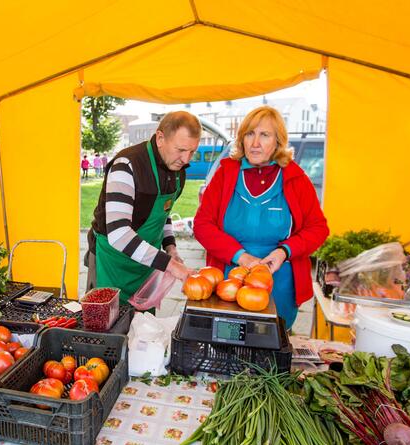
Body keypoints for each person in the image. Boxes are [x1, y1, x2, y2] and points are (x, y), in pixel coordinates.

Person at [194, 106, 329, 329]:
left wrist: (284, 251)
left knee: (271, 347)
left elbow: (318, 228)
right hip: (230, 278)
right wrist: (241, 256)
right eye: (250, 134)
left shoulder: (295, 178)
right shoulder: (225, 174)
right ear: (242, 139)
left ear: (278, 141)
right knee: (228, 342)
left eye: (264, 135)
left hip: (280, 282)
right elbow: (202, 225)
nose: (255, 143)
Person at [86, 111, 200, 302]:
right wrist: (169, 265)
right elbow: (119, 234)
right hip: (112, 262)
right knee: (107, 324)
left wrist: (170, 247)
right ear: (160, 138)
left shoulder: (177, 170)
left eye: (192, 152)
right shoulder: (127, 165)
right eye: (180, 150)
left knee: (144, 325)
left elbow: (164, 213)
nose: (186, 159)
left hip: (146, 263)